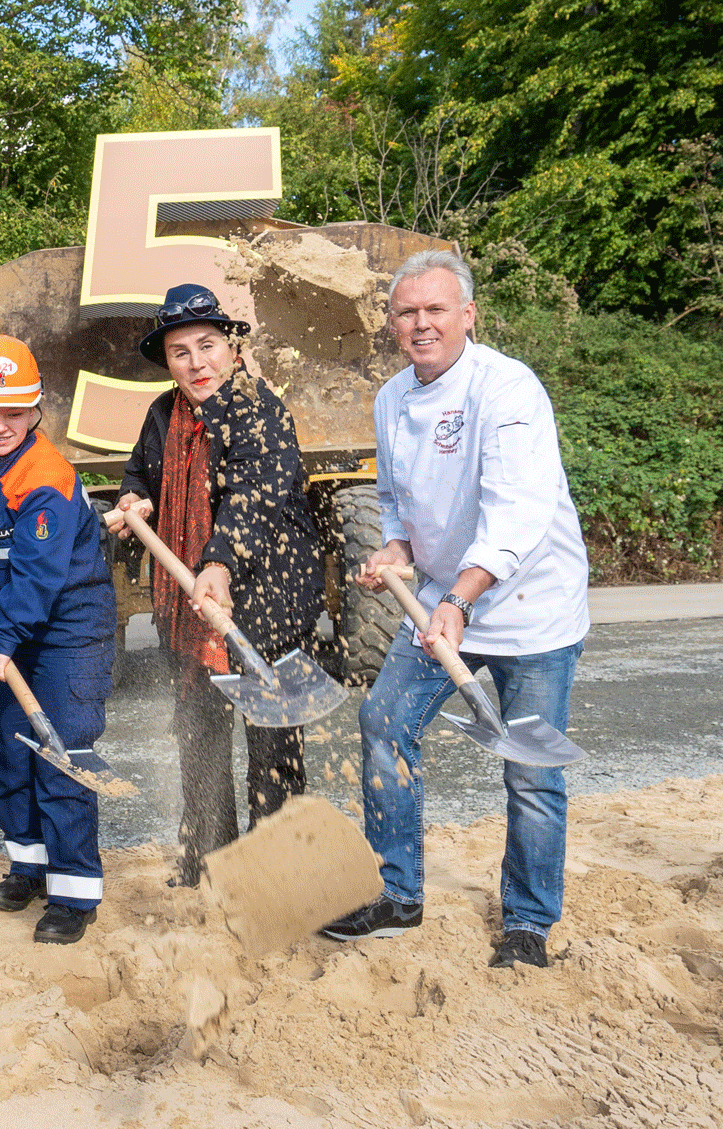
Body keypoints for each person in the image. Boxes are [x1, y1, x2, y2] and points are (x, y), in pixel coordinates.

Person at [327, 249, 589, 970]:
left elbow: (515, 513)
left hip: (531, 606)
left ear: (467, 315)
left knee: (530, 771)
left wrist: (461, 601)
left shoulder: (507, 389)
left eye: (436, 309)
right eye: (407, 311)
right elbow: (396, 504)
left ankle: (529, 921)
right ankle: (395, 891)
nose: (421, 324)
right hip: (444, 603)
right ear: (391, 322)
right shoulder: (389, 400)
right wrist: (395, 551)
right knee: (384, 718)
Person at [113, 284, 323, 887]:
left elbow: (257, 494)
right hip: (191, 604)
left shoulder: (261, 408)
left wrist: (221, 562)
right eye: (180, 352)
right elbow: (139, 471)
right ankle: (208, 857)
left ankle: (278, 870)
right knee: (199, 731)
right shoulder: (162, 415)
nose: (195, 362)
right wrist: (136, 498)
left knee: (271, 741)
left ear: (232, 348)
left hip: (268, 598)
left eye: (207, 345)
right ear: (168, 361)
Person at [0, 336, 116, 944]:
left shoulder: (46, 478)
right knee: (11, 752)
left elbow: (38, 575)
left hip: (69, 631)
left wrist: (3, 637)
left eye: (14, 411)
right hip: (19, 630)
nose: (0, 425)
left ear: (37, 408)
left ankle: (73, 893)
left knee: (58, 754)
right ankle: (29, 866)